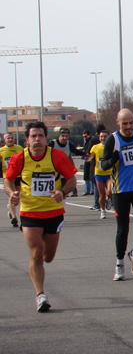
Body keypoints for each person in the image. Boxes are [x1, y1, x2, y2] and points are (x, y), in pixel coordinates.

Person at [3, 122, 77, 312]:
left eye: (40, 136)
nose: (37, 139)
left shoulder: (57, 156)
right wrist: (12, 194)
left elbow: (72, 179)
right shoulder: (20, 158)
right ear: (27, 140)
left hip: (53, 212)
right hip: (30, 212)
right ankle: (40, 295)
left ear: (46, 138)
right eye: (33, 136)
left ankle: (40, 270)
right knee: (35, 253)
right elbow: (8, 180)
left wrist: (63, 191)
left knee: (48, 257)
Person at [101, 109, 133, 281]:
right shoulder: (113, 140)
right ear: (118, 122)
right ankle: (119, 263)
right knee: (122, 229)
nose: (129, 127)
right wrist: (112, 160)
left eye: (131, 123)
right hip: (120, 191)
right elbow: (103, 165)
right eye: (125, 124)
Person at [49, 128, 85, 197]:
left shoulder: (69, 144)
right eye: (62, 136)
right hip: (54, 167)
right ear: (59, 136)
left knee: (70, 178)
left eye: (66, 136)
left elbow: (76, 151)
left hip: (65, 167)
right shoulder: (53, 143)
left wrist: (85, 153)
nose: (64, 138)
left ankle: (73, 192)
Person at [1, 132, 24, 227]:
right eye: (8, 138)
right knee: (12, 195)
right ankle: (14, 217)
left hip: (19, 176)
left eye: (11, 138)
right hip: (8, 177)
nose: (10, 140)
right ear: (4, 140)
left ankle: (11, 210)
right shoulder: (2, 150)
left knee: (17, 196)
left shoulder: (19, 148)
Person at [87, 130, 112, 219]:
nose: (103, 138)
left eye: (105, 136)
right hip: (99, 173)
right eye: (102, 136)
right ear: (99, 138)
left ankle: (109, 200)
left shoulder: (112, 146)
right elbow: (90, 158)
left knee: (109, 191)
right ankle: (103, 210)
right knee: (102, 194)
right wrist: (87, 157)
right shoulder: (95, 147)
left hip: (109, 173)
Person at [81, 130, 94, 195]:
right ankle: (88, 190)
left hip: (90, 159)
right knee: (86, 175)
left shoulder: (90, 141)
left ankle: (91, 190)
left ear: (89, 135)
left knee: (90, 175)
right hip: (86, 159)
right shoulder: (86, 142)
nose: (84, 137)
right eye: (83, 136)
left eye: (85, 136)